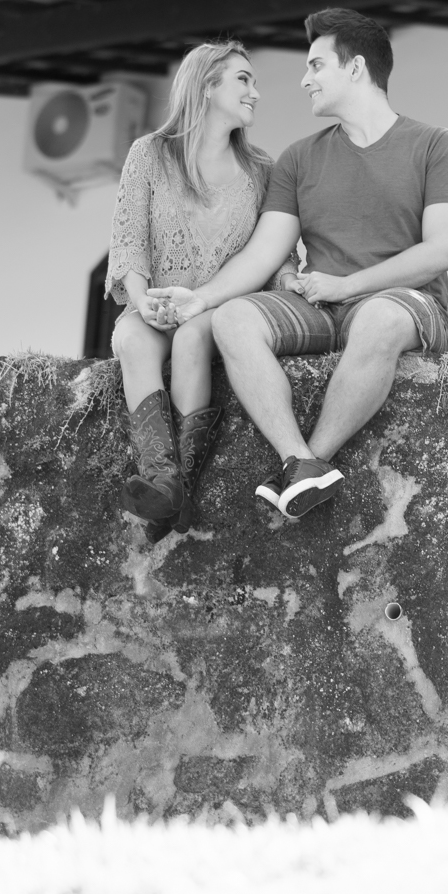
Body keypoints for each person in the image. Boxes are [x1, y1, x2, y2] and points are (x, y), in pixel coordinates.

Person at [148, 8, 448, 519]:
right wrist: (202, 299)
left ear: (356, 68)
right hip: (321, 306)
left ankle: (311, 460)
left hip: (406, 304)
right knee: (232, 319)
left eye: (316, 65)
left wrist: (349, 285)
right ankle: (297, 460)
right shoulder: (299, 158)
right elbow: (263, 252)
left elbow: (443, 250)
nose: (304, 80)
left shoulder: (436, 144)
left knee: (379, 317)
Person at [105, 40, 296, 542]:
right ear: (207, 86)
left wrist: (290, 281)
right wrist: (142, 301)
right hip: (156, 304)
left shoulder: (261, 170)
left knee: (191, 339)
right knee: (129, 339)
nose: (255, 93)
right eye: (243, 80)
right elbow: (129, 240)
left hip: (217, 307)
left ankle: (174, 492)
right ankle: (164, 479)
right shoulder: (149, 154)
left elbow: (274, 251)